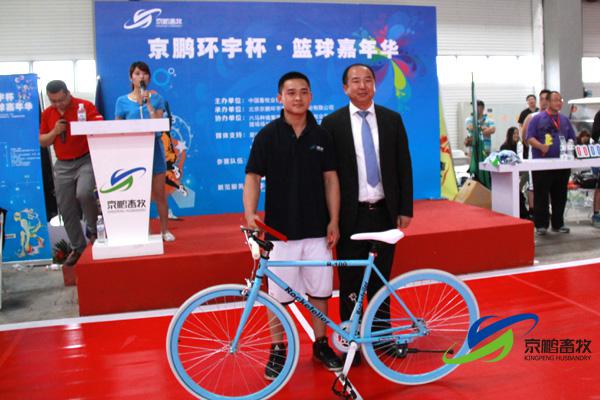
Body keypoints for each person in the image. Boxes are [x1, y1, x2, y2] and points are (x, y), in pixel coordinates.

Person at [243, 71, 343, 380]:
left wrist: (334, 220)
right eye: (291, 92)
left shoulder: (322, 135)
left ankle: (321, 344)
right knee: (277, 296)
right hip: (279, 233)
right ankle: (278, 348)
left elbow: (331, 180)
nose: (297, 97)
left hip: (317, 231)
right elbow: (253, 177)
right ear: (280, 98)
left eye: (303, 92)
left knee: (320, 293)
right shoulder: (267, 135)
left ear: (310, 96)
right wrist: (250, 215)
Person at [321, 64, 413, 364]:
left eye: (368, 80)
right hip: (351, 215)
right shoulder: (332, 123)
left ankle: (382, 338)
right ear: (345, 88)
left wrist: (404, 208)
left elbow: (403, 166)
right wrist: (331, 218)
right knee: (350, 282)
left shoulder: (391, 119)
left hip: (385, 212)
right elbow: (327, 175)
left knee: (380, 280)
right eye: (355, 81)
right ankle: (353, 342)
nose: (362, 86)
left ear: (375, 85)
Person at [39, 80, 102, 266]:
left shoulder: (84, 106)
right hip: (62, 164)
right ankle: (77, 247)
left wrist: (86, 125)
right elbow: (43, 141)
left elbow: (100, 125)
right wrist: (55, 131)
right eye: (53, 101)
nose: (58, 104)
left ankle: (93, 230)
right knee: (66, 207)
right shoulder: (48, 114)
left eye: (61, 100)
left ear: (67, 93)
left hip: (85, 159)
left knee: (84, 193)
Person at [115, 61, 174, 241]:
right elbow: (117, 127)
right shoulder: (122, 101)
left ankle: (164, 231)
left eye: (145, 73)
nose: (141, 77)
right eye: (137, 73)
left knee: (159, 193)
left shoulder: (157, 99)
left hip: (154, 148)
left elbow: (158, 123)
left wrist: (148, 104)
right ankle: (144, 230)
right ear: (131, 78)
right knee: (139, 194)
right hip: (133, 151)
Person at [526, 91, 577, 236]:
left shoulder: (564, 120)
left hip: (561, 164)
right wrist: (541, 146)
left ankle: (558, 223)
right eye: (555, 100)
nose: (559, 103)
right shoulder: (537, 118)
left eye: (560, 100)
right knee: (541, 195)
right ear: (547, 102)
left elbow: (572, 138)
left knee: (560, 195)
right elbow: (529, 137)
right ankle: (541, 224)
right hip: (542, 164)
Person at [521, 89, 552, 219]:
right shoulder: (531, 117)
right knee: (533, 185)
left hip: (551, 157)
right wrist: (536, 146)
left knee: (548, 185)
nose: (543, 102)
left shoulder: (554, 117)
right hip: (535, 156)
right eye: (541, 99)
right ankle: (533, 211)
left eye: (546, 99)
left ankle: (547, 210)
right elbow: (524, 136)